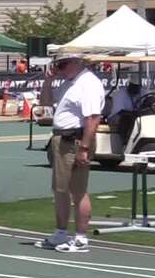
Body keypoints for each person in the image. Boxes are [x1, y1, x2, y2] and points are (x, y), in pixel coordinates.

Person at [37, 54, 105, 253]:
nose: (59, 68)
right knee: (60, 189)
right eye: (58, 64)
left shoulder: (88, 83)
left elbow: (92, 118)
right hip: (62, 139)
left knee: (77, 190)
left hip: (74, 140)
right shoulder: (69, 83)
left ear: (77, 63)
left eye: (63, 64)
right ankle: (60, 233)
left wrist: (84, 148)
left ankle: (81, 238)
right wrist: (48, 81)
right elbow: (45, 104)